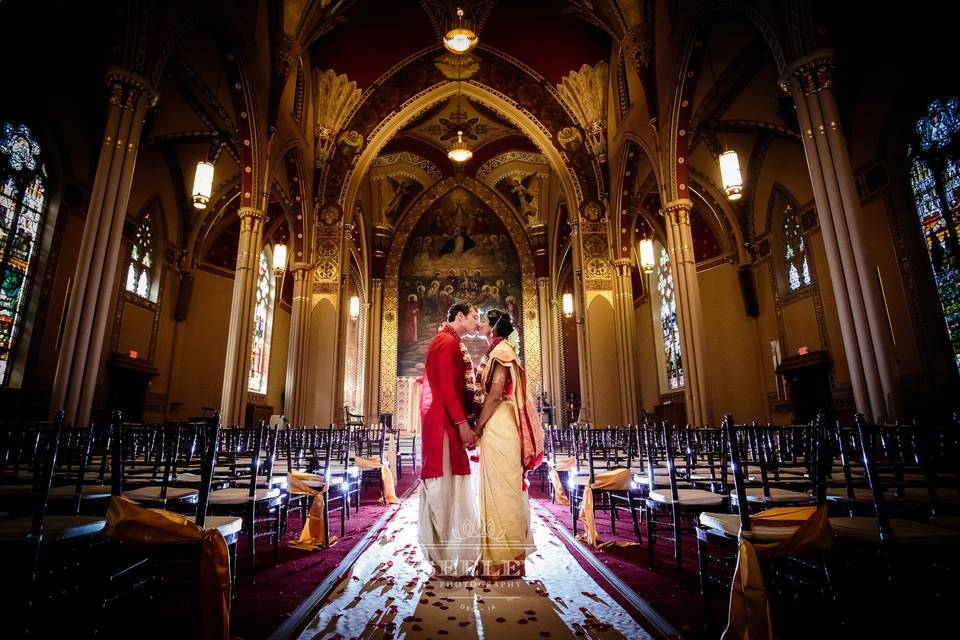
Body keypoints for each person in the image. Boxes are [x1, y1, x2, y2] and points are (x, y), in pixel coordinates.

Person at [473, 309, 544, 578]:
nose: (479, 323)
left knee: (503, 490)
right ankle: (496, 559)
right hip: (499, 423)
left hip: (500, 425)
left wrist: (478, 425)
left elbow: (495, 393)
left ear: (493, 327)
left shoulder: (502, 352)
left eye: (484, 320)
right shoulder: (498, 350)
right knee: (497, 489)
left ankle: (504, 560)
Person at [418, 301, 482, 577]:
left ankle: (445, 556)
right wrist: (463, 424)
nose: (478, 323)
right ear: (459, 316)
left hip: (442, 423)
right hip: (444, 425)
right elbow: (446, 388)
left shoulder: (445, 340)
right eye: (474, 317)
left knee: (448, 485)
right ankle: (446, 557)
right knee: (446, 487)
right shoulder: (448, 343)